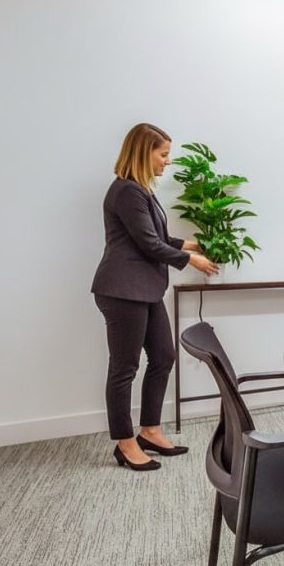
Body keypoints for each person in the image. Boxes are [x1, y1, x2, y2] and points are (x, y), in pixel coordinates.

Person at [91, 123, 219, 471]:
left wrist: (192, 243)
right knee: (124, 368)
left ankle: (149, 429)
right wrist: (192, 258)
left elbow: (155, 236)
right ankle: (125, 442)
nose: (167, 161)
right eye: (163, 154)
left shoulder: (141, 191)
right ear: (143, 152)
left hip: (143, 290)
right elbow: (150, 245)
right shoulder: (127, 192)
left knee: (163, 356)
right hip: (122, 291)